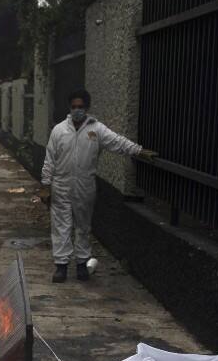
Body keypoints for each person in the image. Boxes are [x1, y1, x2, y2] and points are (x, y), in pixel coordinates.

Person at [39, 89, 156, 282]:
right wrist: (45, 185)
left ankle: (82, 264)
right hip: (61, 185)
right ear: (69, 108)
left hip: (85, 185)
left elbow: (118, 142)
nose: (77, 110)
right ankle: (61, 266)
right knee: (61, 226)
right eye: (74, 107)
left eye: (81, 107)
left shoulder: (96, 130)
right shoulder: (59, 130)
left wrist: (139, 151)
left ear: (87, 108)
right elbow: (49, 159)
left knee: (83, 226)